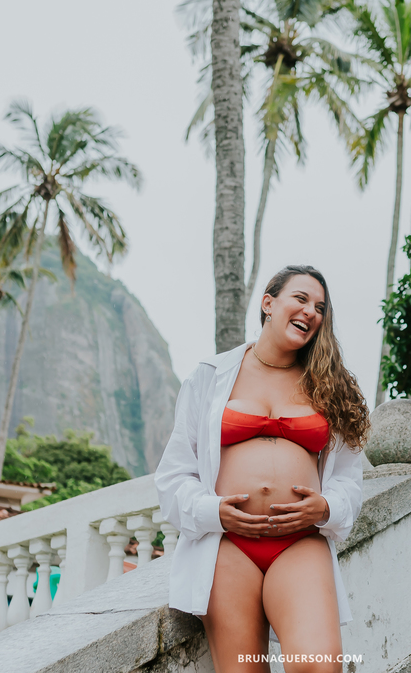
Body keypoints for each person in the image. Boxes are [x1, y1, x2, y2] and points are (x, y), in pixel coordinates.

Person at [155, 265, 371, 673]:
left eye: (320, 307)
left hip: (300, 542)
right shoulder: (211, 376)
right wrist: (212, 511)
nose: (311, 312)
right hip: (228, 546)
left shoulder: (331, 386)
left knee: (318, 666)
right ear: (268, 304)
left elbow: (348, 479)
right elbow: (173, 475)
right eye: (301, 299)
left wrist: (324, 508)